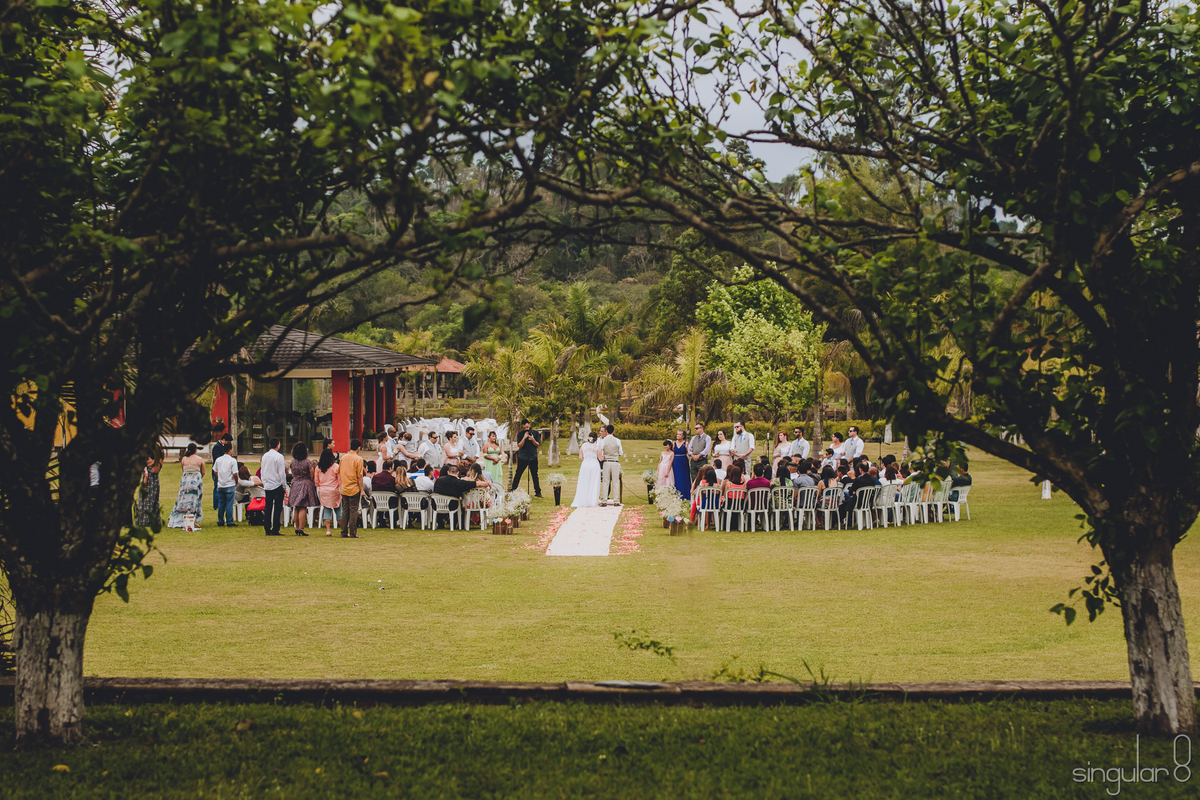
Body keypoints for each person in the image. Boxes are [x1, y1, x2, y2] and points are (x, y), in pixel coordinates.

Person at [167, 444, 205, 528]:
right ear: (195, 450)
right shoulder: (199, 459)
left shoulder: (184, 459)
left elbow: (183, 470)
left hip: (185, 482)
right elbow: (203, 472)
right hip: (195, 482)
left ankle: (183, 518)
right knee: (194, 501)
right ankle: (193, 519)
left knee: (183, 500)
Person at [287, 443, 318, 536]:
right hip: (305, 483)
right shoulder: (307, 462)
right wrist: (309, 480)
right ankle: (302, 528)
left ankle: (296, 527)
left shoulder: (293, 462)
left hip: (295, 484)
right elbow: (312, 473)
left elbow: (292, 474)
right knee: (303, 506)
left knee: (296, 507)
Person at [338, 438, 366, 538]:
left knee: (345, 510)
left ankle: (343, 532)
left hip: (345, 487)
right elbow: (360, 476)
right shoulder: (358, 459)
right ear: (358, 448)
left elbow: (339, 472)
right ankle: (353, 533)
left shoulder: (343, 458)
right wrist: (362, 490)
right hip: (354, 487)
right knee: (353, 511)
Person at [260, 438, 287, 537]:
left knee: (268, 507)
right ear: (278, 445)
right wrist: (283, 485)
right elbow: (281, 473)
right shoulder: (279, 457)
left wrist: (264, 481)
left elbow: (263, 470)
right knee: (277, 507)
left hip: (268, 484)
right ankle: (275, 528)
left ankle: (267, 528)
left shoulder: (265, 456)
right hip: (277, 484)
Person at [572, 432, 604, 508]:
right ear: (595, 439)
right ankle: (592, 501)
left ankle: (583, 500)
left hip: (585, 465)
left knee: (584, 482)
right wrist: (606, 456)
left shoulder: (583, 446)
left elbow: (580, 457)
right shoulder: (597, 447)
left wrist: (586, 459)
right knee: (593, 482)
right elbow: (600, 458)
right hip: (594, 465)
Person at [510, 421, 542, 497]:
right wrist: (524, 438)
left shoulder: (536, 433)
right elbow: (519, 446)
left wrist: (533, 439)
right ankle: (513, 490)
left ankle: (538, 492)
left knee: (535, 475)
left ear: (529, 425)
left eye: (527, 427)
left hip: (533, 457)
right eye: (524, 428)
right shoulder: (520, 434)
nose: (526, 429)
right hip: (523, 457)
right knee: (518, 474)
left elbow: (537, 445)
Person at [313, 449, 341, 536]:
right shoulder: (336, 466)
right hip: (334, 490)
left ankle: (328, 530)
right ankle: (343, 529)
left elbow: (316, 481)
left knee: (327, 510)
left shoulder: (318, 467)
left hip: (323, 491)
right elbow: (340, 480)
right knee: (338, 510)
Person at [136, 447, 163, 528]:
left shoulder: (148, 463)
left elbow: (146, 476)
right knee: (154, 501)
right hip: (155, 482)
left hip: (148, 482)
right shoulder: (159, 462)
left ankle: (144, 520)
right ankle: (154, 520)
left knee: (144, 502)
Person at [212, 445, 239, 527]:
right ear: (230, 450)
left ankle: (220, 520)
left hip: (221, 484)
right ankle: (229, 521)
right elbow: (235, 473)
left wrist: (219, 478)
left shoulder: (218, 460)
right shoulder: (233, 460)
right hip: (230, 484)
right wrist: (236, 481)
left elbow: (215, 471)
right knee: (229, 504)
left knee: (221, 504)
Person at [599, 424, 623, 505]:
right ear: (613, 431)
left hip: (606, 462)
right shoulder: (617, 440)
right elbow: (621, 453)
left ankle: (604, 500)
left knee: (606, 481)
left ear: (606, 431)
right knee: (615, 481)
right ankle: (616, 500)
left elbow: (602, 453)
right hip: (615, 462)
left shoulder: (602, 441)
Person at [209, 432, 232, 510]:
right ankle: (216, 505)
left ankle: (221, 504)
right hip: (218, 470)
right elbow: (217, 459)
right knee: (217, 487)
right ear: (224, 440)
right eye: (227, 442)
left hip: (223, 470)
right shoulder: (217, 447)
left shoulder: (221, 446)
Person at [672, 430, 692, 500]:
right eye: (677, 434)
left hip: (683, 461)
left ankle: (685, 494)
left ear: (683, 436)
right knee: (676, 477)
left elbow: (689, 452)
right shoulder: (673, 443)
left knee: (684, 477)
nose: (678, 436)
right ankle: (676, 494)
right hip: (675, 461)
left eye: (680, 434)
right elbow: (672, 453)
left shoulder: (686, 443)